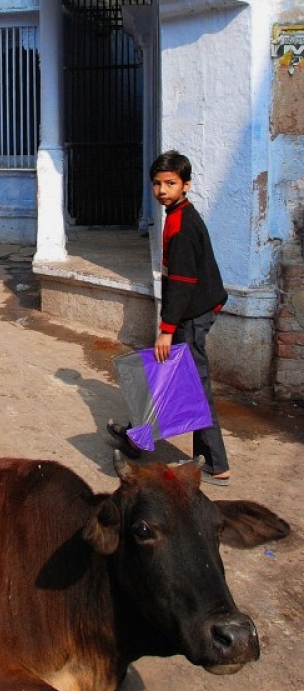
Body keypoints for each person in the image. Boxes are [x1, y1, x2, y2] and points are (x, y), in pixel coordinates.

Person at [108, 150, 231, 485]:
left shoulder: (183, 224)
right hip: (191, 313)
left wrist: (167, 329)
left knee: (195, 388)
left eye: (170, 183)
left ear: (186, 185)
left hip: (189, 317)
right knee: (162, 378)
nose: (162, 190)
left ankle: (216, 464)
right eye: (157, 183)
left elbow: (183, 283)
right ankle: (138, 437)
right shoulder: (178, 215)